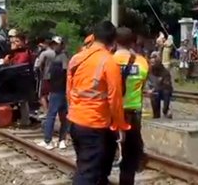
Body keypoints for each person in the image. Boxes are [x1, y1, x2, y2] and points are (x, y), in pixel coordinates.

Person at [67, 20, 129, 185]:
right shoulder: (109, 62)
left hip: (75, 121)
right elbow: (115, 98)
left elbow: (69, 91)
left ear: (93, 37)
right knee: (88, 174)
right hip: (95, 124)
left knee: (88, 168)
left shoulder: (76, 59)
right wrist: (120, 125)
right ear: (113, 40)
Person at [112, 27, 149, 185]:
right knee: (129, 158)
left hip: (113, 111)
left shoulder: (109, 60)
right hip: (133, 111)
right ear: (132, 42)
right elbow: (142, 86)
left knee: (106, 151)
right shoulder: (142, 62)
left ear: (114, 41)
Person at [38, 36, 68, 150]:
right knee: (62, 116)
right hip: (57, 90)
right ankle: (61, 140)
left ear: (61, 45)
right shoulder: (56, 57)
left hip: (59, 90)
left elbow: (66, 74)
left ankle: (48, 140)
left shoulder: (62, 57)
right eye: (53, 44)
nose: (55, 46)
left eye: (57, 44)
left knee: (52, 115)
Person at [147, 52, 173, 119]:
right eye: (151, 60)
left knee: (166, 92)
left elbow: (166, 85)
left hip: (164, 90)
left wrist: (154, 89)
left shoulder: (165, 72)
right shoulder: (149, 71)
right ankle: (156, 114)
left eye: (154, 60)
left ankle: (165, 110)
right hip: (155, 91)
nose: (152, 63)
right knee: (153, 95)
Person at [34, 38, 56, 117]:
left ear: (45, 44)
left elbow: (38, 65)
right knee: (51, 94)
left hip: (45, 76)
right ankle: (52, 111)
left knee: (42, 95)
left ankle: (46, 112)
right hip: (55, 77)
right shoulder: (56, 53)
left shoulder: (44, 53)